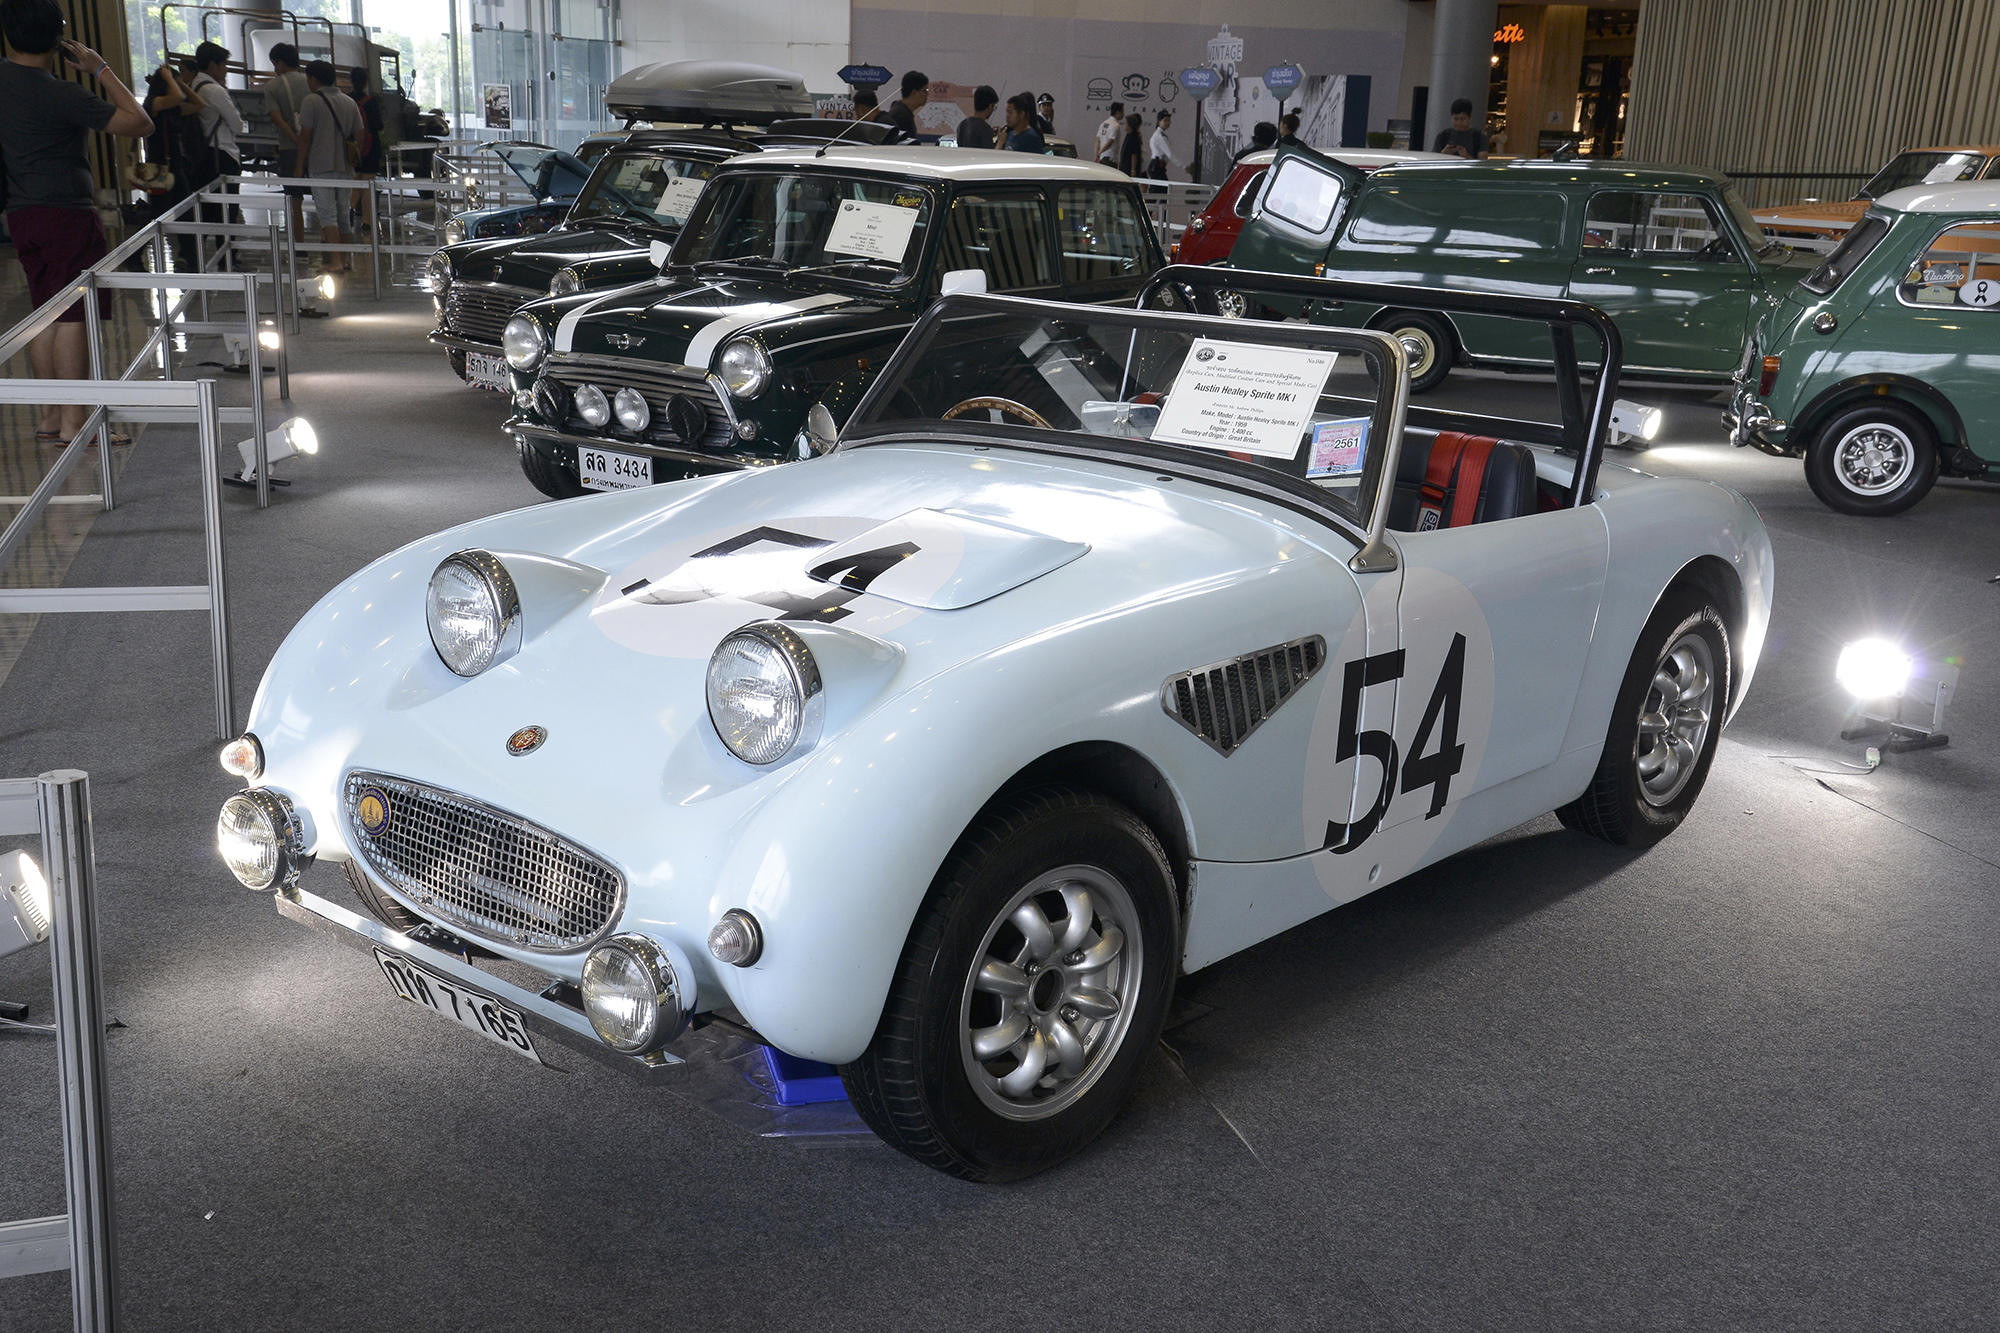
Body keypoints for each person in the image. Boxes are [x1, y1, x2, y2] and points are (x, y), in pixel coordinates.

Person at [0, 0, 152, 444]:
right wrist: (100, 68)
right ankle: (75, 422)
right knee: (73, 315)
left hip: (21, 212)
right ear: (59, 39)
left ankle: (51, 415)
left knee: (44, 313)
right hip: (66, 214)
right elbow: (140, 123)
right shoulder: (62, 94)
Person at [296, 59, 361, 277]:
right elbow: (359, 135)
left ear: (314, 79)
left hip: (320, 165)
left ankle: (334, 262)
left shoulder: (311, 101)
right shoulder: (349, 102)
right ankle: (342, 259)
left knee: (327, 215)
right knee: (343, 214)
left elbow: (305, 136)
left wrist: (299, 166)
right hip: (345, 167)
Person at [265, 43, 308, 240]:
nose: (275, 69)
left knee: (294, 200)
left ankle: (299, 245)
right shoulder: (311, 81)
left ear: (281, 63)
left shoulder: (273, 86)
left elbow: (278, 119)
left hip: (290, 149)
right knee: (322, 196)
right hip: (316, 147)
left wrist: (298, 141)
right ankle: (326, 243)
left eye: (274, 64)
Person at [347, 66, 383, 233]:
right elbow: (378, 125)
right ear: (366, 82)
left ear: (351, 81)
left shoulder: (346, 100)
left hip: (352, 148)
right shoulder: (371, 102)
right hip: (370, 148)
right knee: (368, 185)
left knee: (356, 183)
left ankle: (350, 208)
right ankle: (367, 221)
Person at [886, 70, 927, 139]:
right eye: (925, 90)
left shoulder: (902, 112)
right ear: (914, 92)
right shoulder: (901, 116)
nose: (927, 94)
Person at [955, 85, 998, 150]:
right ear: (990, 106)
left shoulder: (962, 124)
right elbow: (990, 154)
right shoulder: (985, 128)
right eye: (994, 107)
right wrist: (1000, 142)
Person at [1148, 110, 1180, 180]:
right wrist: (1183, 166)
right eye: (1165, 120)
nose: (1168, 123)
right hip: (1156, 166)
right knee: (1161, 186)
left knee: (1161, 186)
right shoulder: (1160, 136)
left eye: (1169, 120)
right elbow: (1170, 154)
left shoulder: (1159, 134)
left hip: (1157, 165)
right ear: (1159, 122)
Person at [1094, 101, 1124, 165]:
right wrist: (1100, 152)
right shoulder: (1116, 125)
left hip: (1102, 157)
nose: (1123, 114)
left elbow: (1098, 140)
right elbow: (1110, 142)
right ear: (1117, 113)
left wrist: (1096, 154)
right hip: (1111, 157)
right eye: (1122, 112)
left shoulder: (1103, 124)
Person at [1117, 111, 1144, 176]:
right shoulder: (1128, 135)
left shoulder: (1134, 137)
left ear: (1130, 125)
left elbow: (1134, 155)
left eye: (1126, 123)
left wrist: (1133, 169)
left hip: (1129, 168)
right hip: (1125, 166)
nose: (1124, 125)